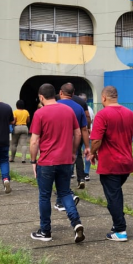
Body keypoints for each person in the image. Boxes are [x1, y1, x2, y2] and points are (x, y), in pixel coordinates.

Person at [88, 86, 133, 241]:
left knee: (113, 197)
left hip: (110, 164)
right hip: (126, 164)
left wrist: (92, 153)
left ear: (103, 98)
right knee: (115, 194)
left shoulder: (102, 115)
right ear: (116, 97)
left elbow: (96, 140)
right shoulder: (130, 114)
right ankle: (116, 223)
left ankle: (120, 230)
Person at [29, 84, 85, 243]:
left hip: (47, 161)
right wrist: (73, 152)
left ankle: (45, 231)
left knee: (44, 196)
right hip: (66, 160)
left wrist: (33, 161)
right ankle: (76, 223)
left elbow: (34, 141)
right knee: (65, 192)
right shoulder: (69, 111)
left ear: (41, 97)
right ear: (56, 94)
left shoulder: (40, 113)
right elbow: (78, 133)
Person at [59, 85, 89, 191]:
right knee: (77, 155)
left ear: (61, 92)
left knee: (61, 161)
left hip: (60, 138)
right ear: (73, 93)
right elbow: (84, 129)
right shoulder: (79, 107)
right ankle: (81, 178)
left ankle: (63, 187)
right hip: (76, 136)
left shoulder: (55, 105)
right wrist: (87, 146)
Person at [80, 93, 95, 182]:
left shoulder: (77, 108)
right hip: (89, 134)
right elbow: (92, 119)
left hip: (80, 133)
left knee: (76, 154)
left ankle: (72, 172)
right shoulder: (90, 109)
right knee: (87, 153)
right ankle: (86, 173)